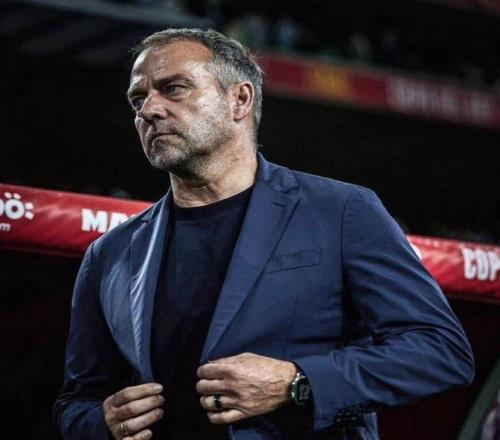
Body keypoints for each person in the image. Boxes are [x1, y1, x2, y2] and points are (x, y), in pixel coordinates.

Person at [53, 28, 474, 440]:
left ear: (239, 99)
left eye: (173, 89)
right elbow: (76, 400)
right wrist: (102, 422)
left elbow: (440, 350)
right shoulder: (110, 253)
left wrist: (298, 382)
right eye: (138, 99)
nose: (149, 110)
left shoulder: (342, 210)